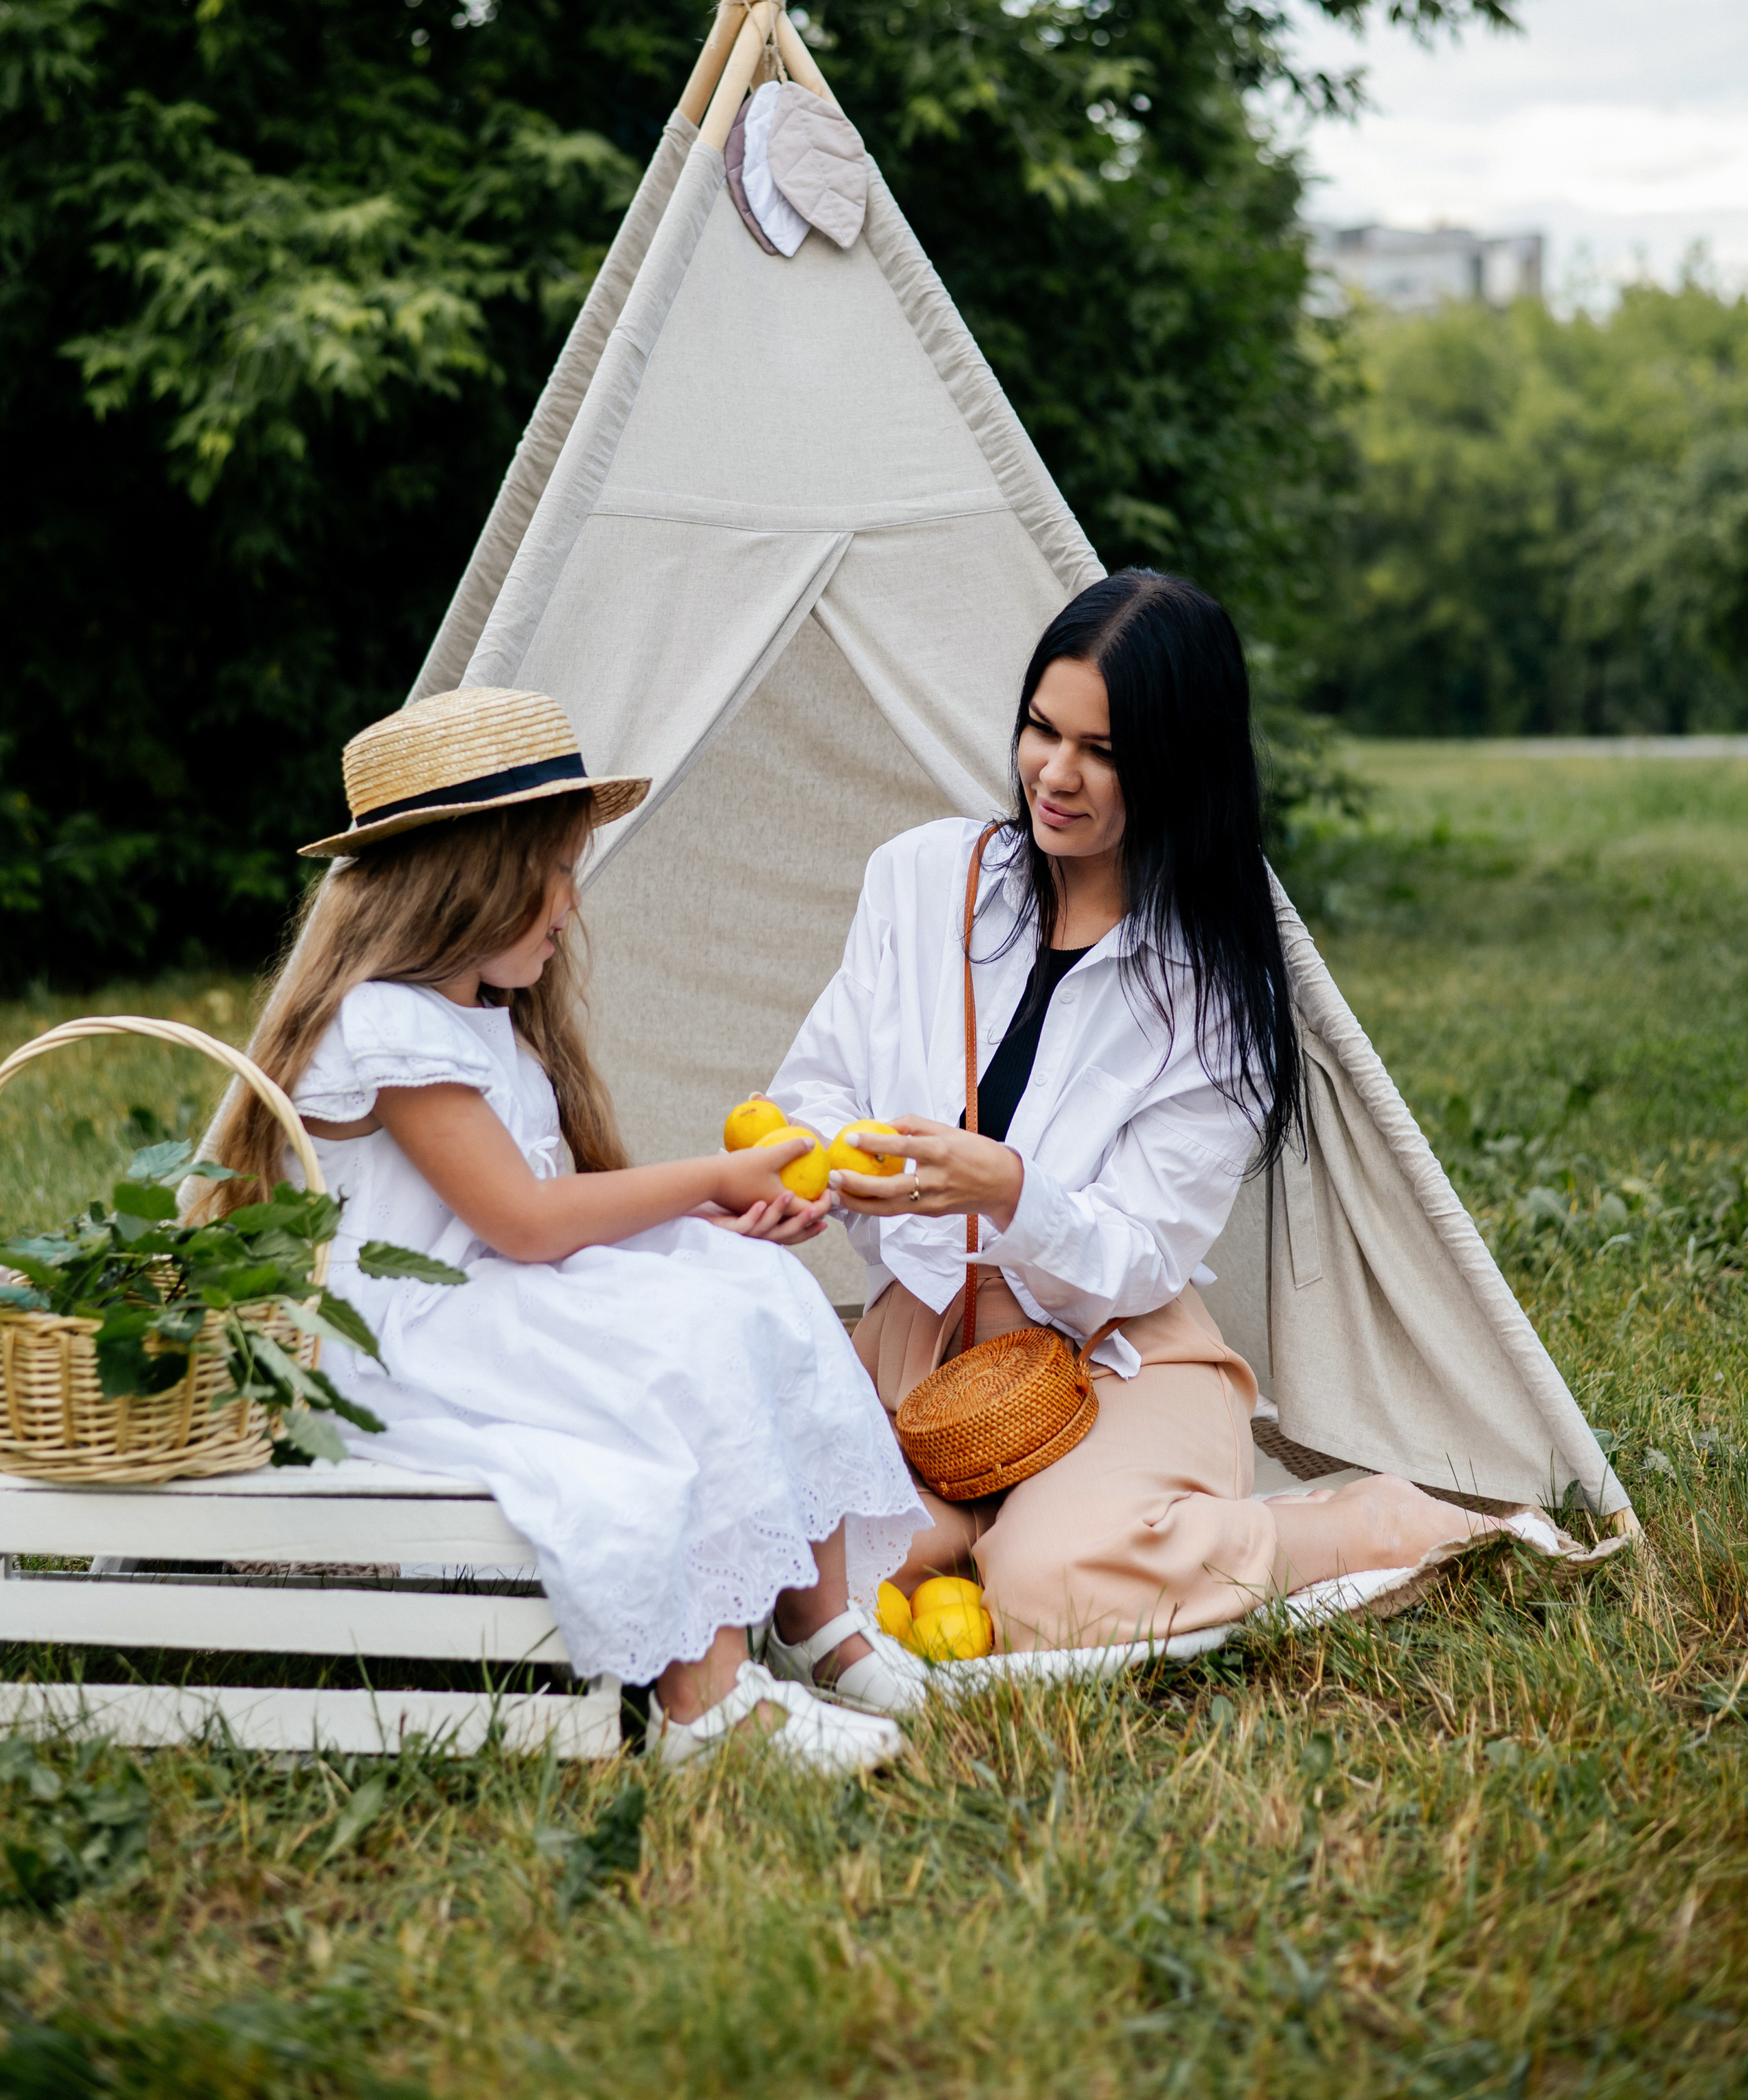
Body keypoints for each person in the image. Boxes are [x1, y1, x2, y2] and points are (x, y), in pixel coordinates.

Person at [764, 570, 1493, 1677]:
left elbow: (1147, 1252)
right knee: (805, 1575)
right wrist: (820, 1171)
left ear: (1177, 766)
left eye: (1103, 752)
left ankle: (1355, 1528)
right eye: (1041, 731)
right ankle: (975, 1531)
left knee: (1057, 1594)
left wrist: (1007, 1191)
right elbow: (817, 1086)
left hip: (1115, 1361)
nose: (1056, 776)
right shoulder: (921, 880)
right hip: (926, 1351)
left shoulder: (1216, 990)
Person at [202, 685, 925, 1769]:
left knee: (754, 1289)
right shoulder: (388, 1024)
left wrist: (710, 1223)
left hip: (494, 1295)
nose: (568, 908)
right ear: (472, 880)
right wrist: (706, 1177)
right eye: (553, 875)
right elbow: (527, 1221)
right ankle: (704, 1701)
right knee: (670, 1351)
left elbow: (546, 1221)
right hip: (413, 1339)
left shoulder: (483, 1017)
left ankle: (817, 1621)